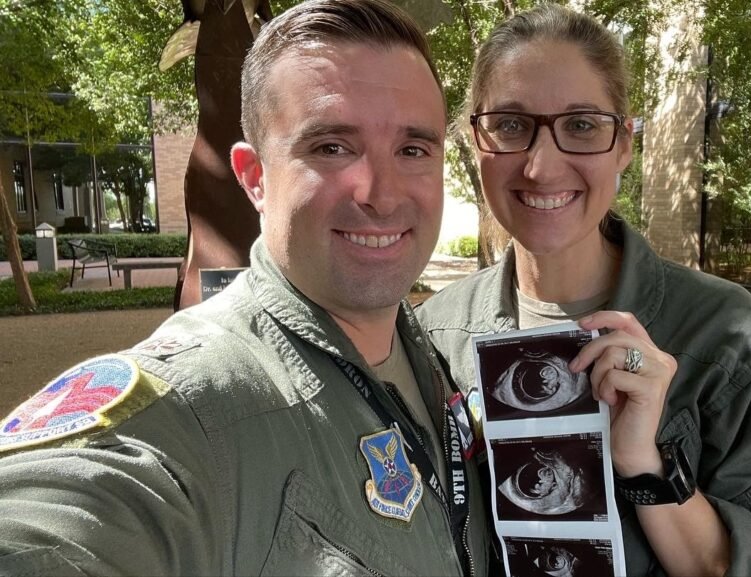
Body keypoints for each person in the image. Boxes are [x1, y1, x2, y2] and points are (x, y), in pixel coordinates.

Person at [0, 1, 489, 575]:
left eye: (412, 149)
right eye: (331, 147)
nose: (380, 193)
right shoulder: (191, 406)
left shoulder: (431, 357)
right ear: (255, 177)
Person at [416, 5, 751, 576]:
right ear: (476, 141)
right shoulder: (436, 335)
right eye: (511, 125)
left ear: (624, 145)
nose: (542, 167)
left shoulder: (721, 333)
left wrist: (647, 465)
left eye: (582, 125)